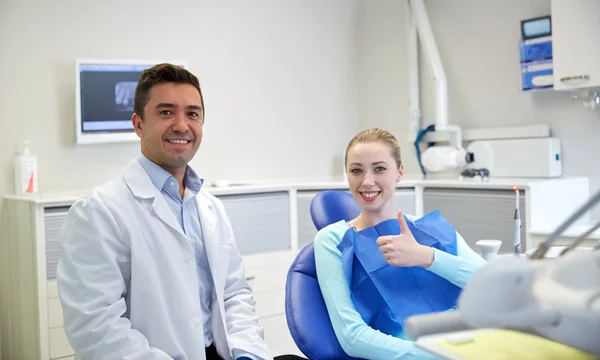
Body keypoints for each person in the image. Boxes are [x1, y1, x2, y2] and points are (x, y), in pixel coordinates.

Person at [57, 63, 304, 360]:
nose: (182, 125)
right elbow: (95, 328)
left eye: (192, 113)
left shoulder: (211, 208)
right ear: (138, 124)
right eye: (165, 112)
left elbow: (234, 293)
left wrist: (247, 352)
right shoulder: (99, 212)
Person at [313, 128, 487, 360]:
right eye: (356, 171)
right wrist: (438, 355)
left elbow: (490, 283)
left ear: (400, 172)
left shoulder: (428, 228)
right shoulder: (332, 240)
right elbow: (352, 337)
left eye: (380, 169)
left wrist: (426, 257)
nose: (367, 181)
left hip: (475, 341)